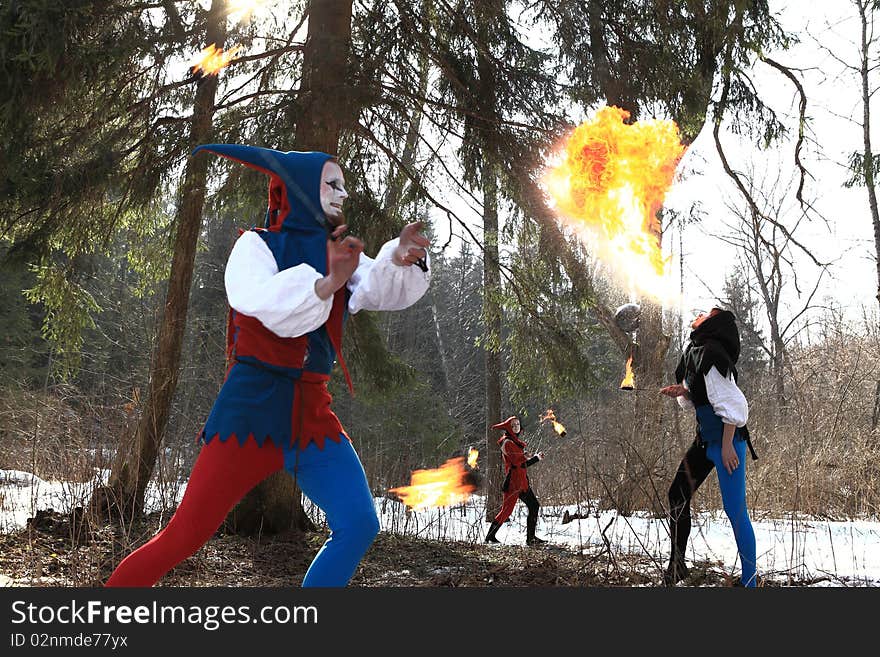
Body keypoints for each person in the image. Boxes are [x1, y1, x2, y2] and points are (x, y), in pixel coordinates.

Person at [105, 144, 430, 587]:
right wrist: (326, 282)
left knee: (359, 524)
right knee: (186, 534)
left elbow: (376, 286)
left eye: (343, 185)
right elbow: (258, 301)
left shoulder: (337, 250)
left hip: (311, 414)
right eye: (331, 184)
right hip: (251, 411)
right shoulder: (254, 246)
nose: (343, 194)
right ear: (299, 190)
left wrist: (400, 255)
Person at [659, 306, 758, 587]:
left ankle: (750, 582)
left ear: (712, 324)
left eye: (707, 313)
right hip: (705, 442)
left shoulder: (713, 354)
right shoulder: (696, 352)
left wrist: (727, 446)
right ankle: (677, 566)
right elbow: (705, 397)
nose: (699, 314)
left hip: (728, 444)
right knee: (677, 495)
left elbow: (736, 405)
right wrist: (684, 391)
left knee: (735, 511)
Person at [484, 416, 546, 545]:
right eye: (513, 425)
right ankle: (490, 536)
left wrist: (535, 458)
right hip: (513, 483)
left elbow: (522, 464)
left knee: (534, 506)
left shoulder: (514, 441)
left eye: (518, 424)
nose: (516, 426)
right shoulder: (507, 442)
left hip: (522, 482)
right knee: (507, 511)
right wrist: (529, 457)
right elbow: (518, 462)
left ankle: (531, 538)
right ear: (508, 428)